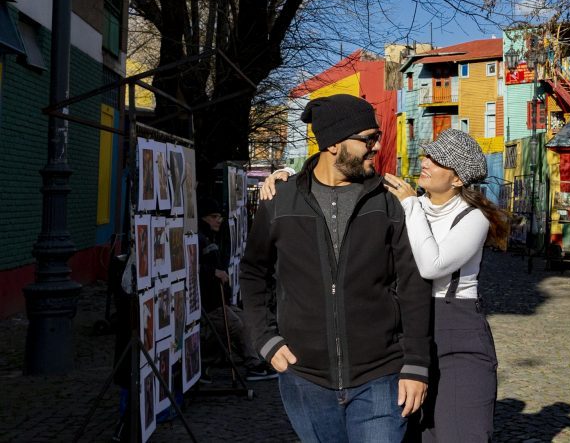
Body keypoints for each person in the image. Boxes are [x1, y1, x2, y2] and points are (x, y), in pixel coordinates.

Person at [262, 128, 509, 442]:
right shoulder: (409, 202)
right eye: (429, 155)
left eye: (438, 161)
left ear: (458, 179)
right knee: (415, 433)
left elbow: (431, 265)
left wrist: (409, 206)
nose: (427, 163)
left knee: (460, 433)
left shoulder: (471, 218)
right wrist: (288, 174)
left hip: (455, 332)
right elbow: (345, 175)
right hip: (408, 329)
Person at [241, 94, 432, 443]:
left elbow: (413, 284)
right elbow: (254, 272)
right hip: (304, 379)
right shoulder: (281, 202)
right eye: (368, 139)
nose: (376, 147)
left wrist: (416, 364)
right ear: (332, 144)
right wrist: (264, 338)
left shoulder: (390, 202)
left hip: (380, 375)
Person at [197, 200, 276, 381]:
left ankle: (254, 361)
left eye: (219, 217)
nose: (218, 220)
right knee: (236, 326)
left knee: (246, 319)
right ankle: (252, 364)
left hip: (221, 299)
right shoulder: (199, 238)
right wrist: (213, 272)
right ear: (204, 219)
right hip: (210, 303)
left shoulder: (213, 237)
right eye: (213, 217)